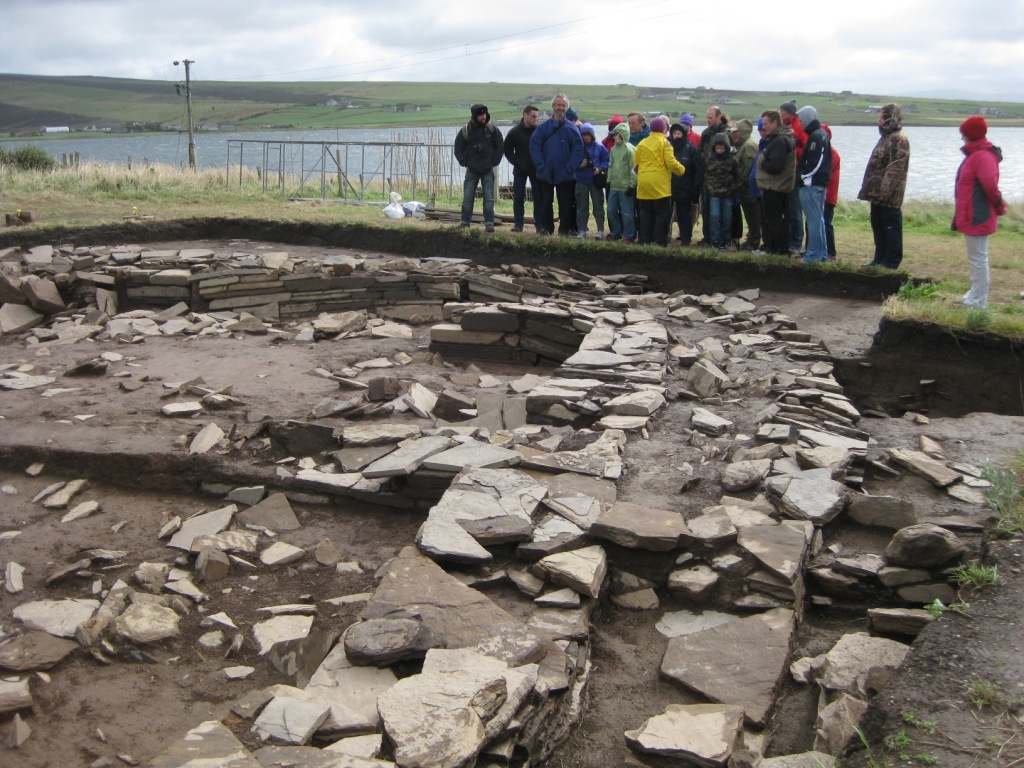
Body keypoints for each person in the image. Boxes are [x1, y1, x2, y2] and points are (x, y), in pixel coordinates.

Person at [953, 116, 1007, 309]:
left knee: (978, 259)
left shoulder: (983, 156)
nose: (962, 138)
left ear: (971, 134)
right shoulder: (976, 154)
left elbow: (990, 185)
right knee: (976, 257)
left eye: (964, 134)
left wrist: (1000, 205)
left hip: (978, 214)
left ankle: (977, 301)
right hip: (972, 214)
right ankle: (974, 294)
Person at [858, 102, 911, 269]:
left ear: (889, 118)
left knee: (890, 228)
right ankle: (879, 259)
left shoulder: (899, 139)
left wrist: (885, 191)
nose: (878, 120)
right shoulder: (885, 138)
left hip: (889, 197)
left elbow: (895, 167)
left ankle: (891, 262)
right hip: (876, 195)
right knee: (878, 227)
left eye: (881, 116)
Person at [530, 94, 585, 236]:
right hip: (545, 172)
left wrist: (570, 167)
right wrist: (540, 165)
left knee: (565, 204)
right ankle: (547, 229)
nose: (560, 108)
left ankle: (564, 229)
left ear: (567, 108)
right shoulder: (543, 128)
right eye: (558, 105)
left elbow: (578, 149)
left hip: (565, 173)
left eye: (563, 105)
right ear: (553, 106)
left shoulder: (572, 129)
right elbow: (534, 146)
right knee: (546, 202)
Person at [635, 116, 686, 246]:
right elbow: (671, 163)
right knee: (661, 214)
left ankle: (645, 241)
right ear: (664, 129)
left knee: (645, 214)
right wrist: (681, 170)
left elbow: (636, 162)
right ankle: (660, 242)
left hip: (643, 183)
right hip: (659, 185)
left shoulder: (642, 143)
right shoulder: (665, 143)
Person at [453, 104, 504, 232]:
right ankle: (465, 222)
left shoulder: (492, 129)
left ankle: (489, 223)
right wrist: (464, 162)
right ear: (475, 116)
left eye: (485, 114)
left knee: (489, 198)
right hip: (472, 170)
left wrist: (495, 161)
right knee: (468, 197)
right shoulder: (466, 130)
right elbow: (458, 148)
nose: (484, 117)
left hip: (487, 169)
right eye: (481, 115)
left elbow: (500, 145)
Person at [755, 110, 796, 255]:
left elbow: (776, 166)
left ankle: (777, 250)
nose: (763, 127)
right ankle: (775, 248)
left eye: (766, 124)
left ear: (775, 123)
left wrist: (763, 162)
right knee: (775, 219)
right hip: (776, 186)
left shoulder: (779, 140)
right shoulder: (780, 139)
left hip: (775, 187)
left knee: (774, 220)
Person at [795, 105, 832, 263]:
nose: (800, 124)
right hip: (815, 184)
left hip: (811, 185)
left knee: (813, 220)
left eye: (801, 120)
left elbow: (815, 162)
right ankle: (821, 254)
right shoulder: (819, 135)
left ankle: (813, 255)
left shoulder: (817, 137)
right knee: (818, 219)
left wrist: (803, 177)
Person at [503, 104, 540, 233]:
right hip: (520, 170)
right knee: (518, 197)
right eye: (533, 116)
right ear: (525, 115)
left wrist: (541, 163)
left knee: (538, 198)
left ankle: (539, 225)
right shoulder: (514, 132)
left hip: (536, 170)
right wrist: (516, 162)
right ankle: (518, 224)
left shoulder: (539, 131)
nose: (536, 119)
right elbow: (507, 149)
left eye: (537, 117)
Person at [698, 106, 731, 244]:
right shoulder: (706, 133)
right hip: (707, 177)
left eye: (710, 117)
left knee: (723, 213)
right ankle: (708, 237)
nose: (708, 120)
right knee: (706, 210)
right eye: (707, 117)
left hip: (723, 179)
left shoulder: (726, 133)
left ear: (718, 117)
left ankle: (724, 239)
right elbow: (700, 152)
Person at [704, 132, 741, 249]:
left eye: (722, 148)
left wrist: (735, 192)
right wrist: (706, 190)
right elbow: (706, 175)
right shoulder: (710, 158)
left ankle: (725, 240)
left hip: (728, 193)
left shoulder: (733, 159)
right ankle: (715, 240)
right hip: (713, 193)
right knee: (714, 216)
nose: (719, 150)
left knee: (726, 217)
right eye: (717, 147)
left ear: (726, 147)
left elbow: (737, 177)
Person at [669, 122, 704, 244]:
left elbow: (698, 171)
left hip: (685, 188)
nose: (676, 136)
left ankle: (686, 239)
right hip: (668, 187)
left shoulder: (691, 149)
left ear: (684, 134)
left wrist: (696, 189)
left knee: (684, 215)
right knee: (667, 214)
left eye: (679, 133)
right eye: (674, 133)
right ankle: (665, 237)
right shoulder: (668, 148)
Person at [780, 100, 807, 254]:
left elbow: (802, 143)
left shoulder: (796, 125)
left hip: (795, 171)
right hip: (789, 171)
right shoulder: (787, 125)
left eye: (782, 111)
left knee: (794, 209)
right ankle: (790, 240)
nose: (781, 114)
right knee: (789, 209)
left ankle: (796, 241)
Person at [574, 123, 610, 239]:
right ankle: (582, 230)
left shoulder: (600, 147)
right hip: (581, 181)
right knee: (581, 207)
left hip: (595, 181)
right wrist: (579, 165)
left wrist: (600, 169)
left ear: (592, 135)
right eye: (583, 134)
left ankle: (600, 231)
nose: (586, 137)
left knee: (598, 206)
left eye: (588, 134)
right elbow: (571, 162)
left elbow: (607, 160)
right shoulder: (577, 148)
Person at [730, 119, 761, 250]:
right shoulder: (743, 144)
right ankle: (751, 239)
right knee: (750, 215)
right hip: (744, 188)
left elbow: (748, 168)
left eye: (735, 132)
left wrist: (739, 183)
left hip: (748, 188)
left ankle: (754, 242)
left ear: (742, 131)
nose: (733, 135)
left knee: (753, 215)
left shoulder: (748, 145)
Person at [606, 121, 637, 243]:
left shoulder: (630, 149)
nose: (613, 137)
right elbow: (611, 165)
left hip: (625, 187)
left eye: (615, 134)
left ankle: (629, 235)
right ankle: (616, 233)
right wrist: (608, 182)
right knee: (611, 211)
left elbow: (634, 169)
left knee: (627, 213)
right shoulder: (613, 149)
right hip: (614, 186)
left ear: (622, 134)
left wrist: (632, 186)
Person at [822, 124, 841, 261]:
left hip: (828, 195)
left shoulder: (832, 154)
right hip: (820, 195)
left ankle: (831, 253)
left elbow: (825, 173)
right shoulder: (822, 153)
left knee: (826, 223)